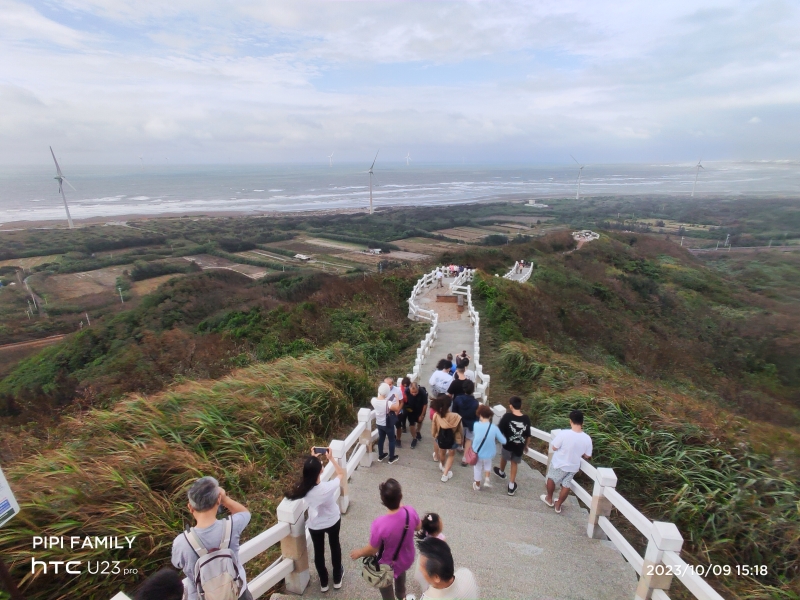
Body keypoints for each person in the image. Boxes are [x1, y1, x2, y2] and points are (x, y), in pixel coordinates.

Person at [171, 476, 252, 600]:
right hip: (237, 593)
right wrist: (225, 499)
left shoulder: (181, 542)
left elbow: (177, 564)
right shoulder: (232, 526)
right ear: (218, 500)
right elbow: (245, 513)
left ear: (190, 507)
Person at [285, 448, 346, 592]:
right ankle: (337, 577)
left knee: (319, 552)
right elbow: (341, 473)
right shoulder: (328, 487)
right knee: (335, 546)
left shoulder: (303, 488)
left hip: (315, 524)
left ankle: (324, 582)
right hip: (332, 520)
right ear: (321, 472)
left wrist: (312, 459)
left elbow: (308, 475)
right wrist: (331, 458)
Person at [350, 478, 421, 600]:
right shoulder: (410, 512)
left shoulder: (379, 524)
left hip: (386, 564)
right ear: (401, 496)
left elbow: (372, 549)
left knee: (385, 586)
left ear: (383, 501)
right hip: (405, 558)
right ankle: (402, 596)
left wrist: (359, 552)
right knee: (400, 578)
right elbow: (418, 527)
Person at [541, 409, 592, 514]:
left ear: (570, 421)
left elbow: (554, 447)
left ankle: (549, 499)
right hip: (573, 466)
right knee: (566, 484)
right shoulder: (587, 438)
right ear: (582, 422)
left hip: (559, 463)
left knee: (551, 478)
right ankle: (558, 505)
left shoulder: (564, 434)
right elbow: (587, 455)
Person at [493, 397, 531, 496]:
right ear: (520, 406)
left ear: (510, 406)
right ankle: (511, 485)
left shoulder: (507, 417)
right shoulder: (526, 419)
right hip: (519, 446)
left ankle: (501, 472)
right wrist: (526, 446)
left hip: (507, 444)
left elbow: (499, 431)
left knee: (504, 457)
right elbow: (528, 435)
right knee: (514, 463)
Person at [470, 405, 506, 491]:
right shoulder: (494, 428)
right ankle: (487, 479)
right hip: (489, 452)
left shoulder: (476, 425)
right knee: (487, 463)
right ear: (490, 416)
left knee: (478, 467)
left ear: (480, 415)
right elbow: (503, 440)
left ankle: (477, 485)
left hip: (477, 451)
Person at [431, 395, 463, 483]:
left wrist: (434, 435)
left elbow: (433, 430)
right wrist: (461, 440)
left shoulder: (436, 416)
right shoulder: (456, 416)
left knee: (442, 453)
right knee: (451, 455)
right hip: (453, 439)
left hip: (441, 438)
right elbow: (460, 430)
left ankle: (442, 465)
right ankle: (445, 474)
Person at [451, 381, 478, 467]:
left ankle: (458, 447)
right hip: (471, 423)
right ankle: (465, 458)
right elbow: (476, 415)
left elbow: (454, 412)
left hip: (460, 422)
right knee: (468, 440)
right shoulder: (475, 402)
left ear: (463, 389)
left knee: (459, 436)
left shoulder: (458, 399)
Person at [372, 382, 401, 464]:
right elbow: (396, 408)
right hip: (387, 425)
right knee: (392, 440)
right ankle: (391, 458)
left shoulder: (373, 400)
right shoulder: (388, 403)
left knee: (381, 439)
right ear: (387, 392)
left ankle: (381, 455)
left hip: (379, 424)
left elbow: (381, 400)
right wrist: (397, 399)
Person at [405, 381, 429, 449]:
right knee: (411, 424)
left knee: (419, 421)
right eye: (412, 392)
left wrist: (422, 415)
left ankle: (418, 431)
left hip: (420, 409)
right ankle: (414, 438)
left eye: (415, 392)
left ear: (418, 389)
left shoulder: (422, 392)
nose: (414, 394)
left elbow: (425, 405)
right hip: (410, 409)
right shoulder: (407, 391)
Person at [385, 377, 406, 447]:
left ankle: (398, 439)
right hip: (388, 412)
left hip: (397, 411)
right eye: (387, 384)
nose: (388, 386)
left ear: (393, 384)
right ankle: (392, 437)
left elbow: (402, 402)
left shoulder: (397, 390)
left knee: (398, 426)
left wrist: (398, 411)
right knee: (389, 426)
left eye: (390, 384)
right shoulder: (383, 391)